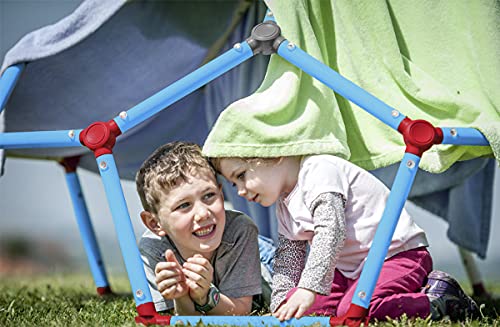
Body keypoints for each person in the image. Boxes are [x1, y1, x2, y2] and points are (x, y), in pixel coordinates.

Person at [207, 153, 479, 321]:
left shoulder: (318, 170)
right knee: (305, 314)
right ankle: (356, 297)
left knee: (357, 310)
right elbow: (289, 257)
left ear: (272, 155)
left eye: (241, 176)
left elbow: (330, 232)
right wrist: (280, 307)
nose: (240, 190)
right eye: (234, 183)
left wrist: (309, 289)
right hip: (348, 269)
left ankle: (439, 300)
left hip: (397, 255)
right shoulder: (284, 203)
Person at [135, 141, 273, 315]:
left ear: (221, 194)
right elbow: (184, 319)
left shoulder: (239, 231)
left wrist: (206, 295)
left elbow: (241, 312)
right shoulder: (154, 248)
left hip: (264, 260)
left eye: (209, 195)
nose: (202, 214)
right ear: (155, 223)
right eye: (184, 205)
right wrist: (181, 296)